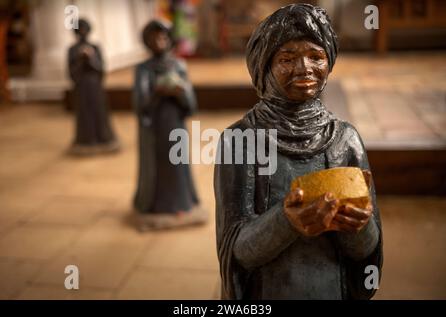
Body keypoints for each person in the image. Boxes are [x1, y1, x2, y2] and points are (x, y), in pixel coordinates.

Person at [215, 4, 383, 299]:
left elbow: (368, 252)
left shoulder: (345, 139)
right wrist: (286, 221)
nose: (304, 68)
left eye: (315, 56)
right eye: (287, 58)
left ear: (329, 62)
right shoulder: (240, 141)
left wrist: (358, 225)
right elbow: (235, 252)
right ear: (264, 66)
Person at [132, 20, 206, 230]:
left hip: (175, 123)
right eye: (154, 38)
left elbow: (191, 104)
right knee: (158, 165)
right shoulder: (143, 69)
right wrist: (157, 92)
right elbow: (139, 104)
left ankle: (181, 202)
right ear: (147, 41)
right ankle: (156, 204)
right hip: (155, 128)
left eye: (163, 37)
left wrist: (179, 92)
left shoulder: (178, 65)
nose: (159, 42)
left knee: (177, 162)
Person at [68, 18, 119, 155]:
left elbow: (101, 69)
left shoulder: (95, 47)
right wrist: (80, 59)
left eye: (85, 29)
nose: (83, 33)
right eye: (80, 30)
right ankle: (86, 139)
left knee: (99, 112)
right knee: (84, 113)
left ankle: (103, 137)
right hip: (82, 87)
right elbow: (71, 73)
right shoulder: (72, 50)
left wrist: (90, 59)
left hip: (95, 85)